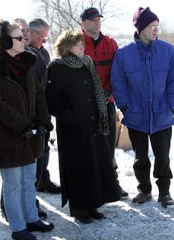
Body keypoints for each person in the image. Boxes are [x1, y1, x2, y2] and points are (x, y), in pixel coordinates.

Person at [0, 19, 54, 240]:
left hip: (30, 135)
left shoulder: (27, 63)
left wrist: (43, 119)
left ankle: (31, 218)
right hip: (9, 137)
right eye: (18, 37)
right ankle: (17, 227)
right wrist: (22, 124)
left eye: (24, 36)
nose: (25, 39)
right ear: (4, 41)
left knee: (28, 181)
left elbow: (38, 93)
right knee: (12, 185)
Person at [45, 30, 120, 223]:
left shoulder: (86, 64)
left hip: (93, 124)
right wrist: (69, 117)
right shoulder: (57, 67)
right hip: (73, 128)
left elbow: (94, 91)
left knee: (93, 166)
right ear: (67, 46)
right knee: (78, 167)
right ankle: (79, 207)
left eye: (82, 44)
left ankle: (93, 203)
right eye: (78, 44)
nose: (82, 47)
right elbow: (52, 99)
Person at [111, 7, 174, 208]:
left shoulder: (168, 50)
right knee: (140, 156)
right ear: (140, 28)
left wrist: (171, 106)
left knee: (163, 156)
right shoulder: (124, 53)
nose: (155, 30)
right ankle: (144, 190)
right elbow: (118, 82)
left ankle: (165, 193)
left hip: (162, 114)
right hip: (135, 115)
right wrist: (125, 107)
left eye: (157, 26)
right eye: (152, 26)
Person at [80, 6, 128, 198]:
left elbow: (118, 72)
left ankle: (111, 184)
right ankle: (92, 186)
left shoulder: (110, 43)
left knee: (108, 146)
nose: (96, 22)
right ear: (82, 23)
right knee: (89, 147)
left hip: (107, 101)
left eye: (98, 19)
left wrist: (109, 90)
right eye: (92, 20)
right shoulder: (76, 43)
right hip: (85, 105)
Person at [29, 18, 61, 194]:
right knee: (36, 148)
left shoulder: (43, 52)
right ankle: (34, 183)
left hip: (45, 107)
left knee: (45, 146)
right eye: (43, 37)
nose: (44, 41)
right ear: (32, 33)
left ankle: (43, 178)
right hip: (33, 109)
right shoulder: (27, 54)